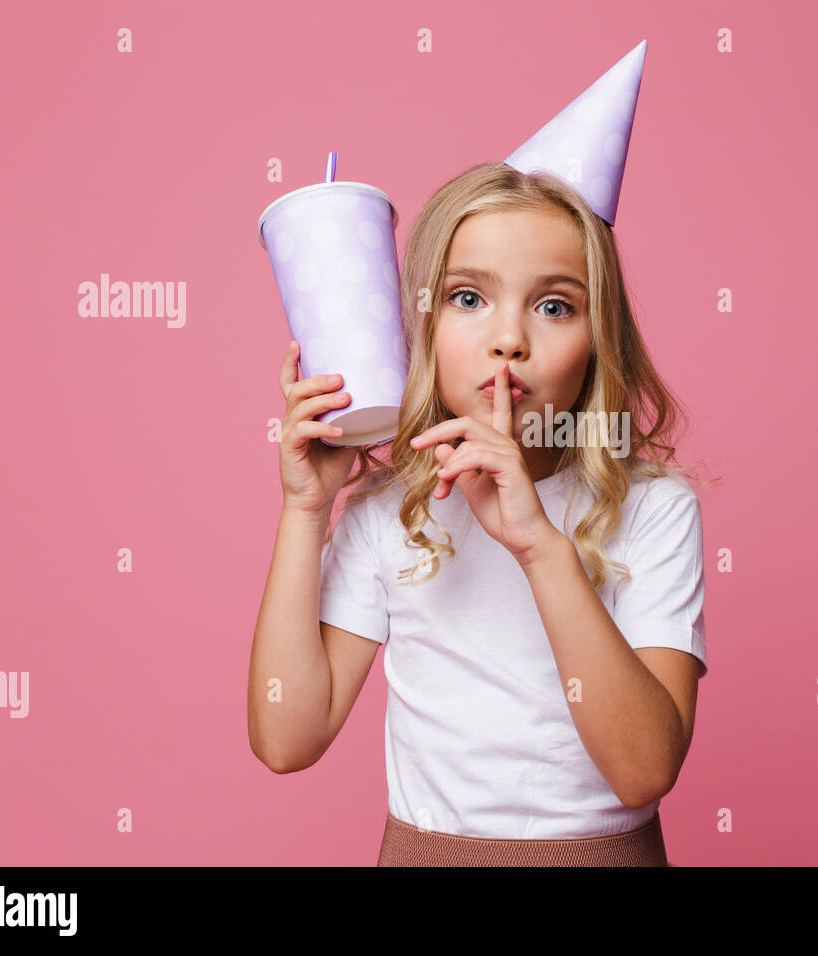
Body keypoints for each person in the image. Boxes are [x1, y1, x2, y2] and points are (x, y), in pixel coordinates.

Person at [248, 42, 715, 865]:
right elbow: (287, 738)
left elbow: (644, 771)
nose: (508, 340)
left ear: (598, 340)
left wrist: (539, 545)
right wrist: (304, 509)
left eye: (555, 306)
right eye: (469, 298)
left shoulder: (653, 509)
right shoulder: (389, 514)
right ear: (423, 326)